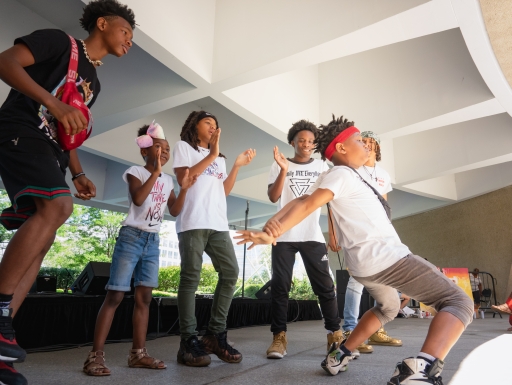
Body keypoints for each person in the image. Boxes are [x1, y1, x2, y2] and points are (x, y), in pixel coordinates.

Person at [235, 115, 473, 384]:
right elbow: (307, 204)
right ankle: (421, 371)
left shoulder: (335, 174)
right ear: (341, 148)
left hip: (365, 266)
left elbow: (302, 198)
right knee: (459, 301)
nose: (367, 145)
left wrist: (274, 223)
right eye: (360, 141)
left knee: (388, 307)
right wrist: (273, 232)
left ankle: (340, 355)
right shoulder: (342, 174)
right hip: (387, 259)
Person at [0, 1, 135, 383]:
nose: (130, 40)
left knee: (41, 242)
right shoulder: (59, 42)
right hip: (20, 131)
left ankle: (2, 340)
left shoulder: (95, 80)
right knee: (58, 208)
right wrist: (52, 102)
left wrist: (77, 173)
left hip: (52, 151)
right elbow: (5, 62)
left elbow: (68, 130)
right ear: (103, 23)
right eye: (126, 32)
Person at [82, 122, 198, 376]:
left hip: (153, 241)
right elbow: (138, 199)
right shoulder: (136, 171)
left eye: (167, 150)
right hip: (131, 237)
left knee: (144, 298)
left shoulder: (168, 180)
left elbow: (175, 211)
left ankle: (138, 354)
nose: (164, 153)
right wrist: (155, 172)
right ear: (145, 151)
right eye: (159, 148)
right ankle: (94, 356)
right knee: (115, 295)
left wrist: (185, 188)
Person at [172, 110, 256, 367]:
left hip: (217, 223)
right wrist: (211, 154)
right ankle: (188, 340)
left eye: (215, 124)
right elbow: (184, 179)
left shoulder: (218, 159)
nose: (213, 127)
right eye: (207, 122)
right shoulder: (183, 147)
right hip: (193, 221)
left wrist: (236, 167)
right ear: (194, 125)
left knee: (230, 273)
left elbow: (223, 192)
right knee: (191, 277)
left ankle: (214, 335)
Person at [266, 120, 341, 359]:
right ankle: (279, 338)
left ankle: (334, 334)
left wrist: (333, 232)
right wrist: (284, 170)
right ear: (292, 142)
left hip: (312, 235)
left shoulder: (322, 166)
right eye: (301, 140)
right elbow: (273, 196)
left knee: (326, 287)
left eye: (310, 141)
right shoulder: (280, 164)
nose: (306, 144)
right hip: (284, 234)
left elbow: (330, 200)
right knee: (280, 287)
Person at [330, 130, 401, 354]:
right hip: (357, 233)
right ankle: (351, 329)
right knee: (356, 281)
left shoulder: (384, 174)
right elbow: (334, 202)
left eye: (372, 142)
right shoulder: (353, 169)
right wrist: (333, 232)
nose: (368, 145)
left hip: (381, 233)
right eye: (364, 141)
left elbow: (385, 206)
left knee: (385, 280)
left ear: (378, 147)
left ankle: (375, 329)